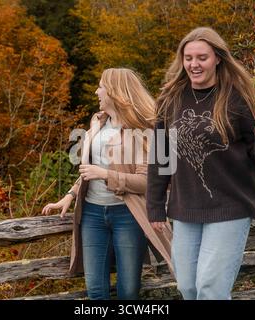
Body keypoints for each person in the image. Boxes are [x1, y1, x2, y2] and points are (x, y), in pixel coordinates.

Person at [146, 27, 255, 300]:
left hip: (230, 204)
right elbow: (160, 156)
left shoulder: (236, 98)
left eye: (202, 58)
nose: (194, 64)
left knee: (211, 288)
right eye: (188, 58)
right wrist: (155, 205)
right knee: (188, 287)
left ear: (218, 58)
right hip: (185, 208)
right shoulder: (169, 101)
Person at [43, 68, 173, 300]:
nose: (96, 91)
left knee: (129, 290)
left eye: (101, 86)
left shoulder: (145, 129)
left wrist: (104, 174)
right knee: (95, 290)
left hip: (128, 215)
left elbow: (148, 182)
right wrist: (71, 195)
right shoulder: (98, 121)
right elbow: (89, 169)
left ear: (115, 91)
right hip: (92, 214)